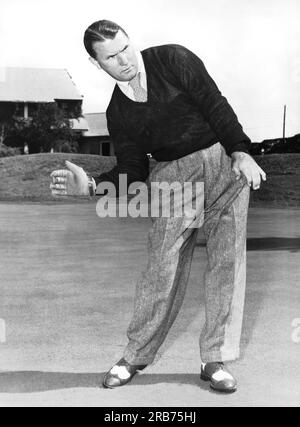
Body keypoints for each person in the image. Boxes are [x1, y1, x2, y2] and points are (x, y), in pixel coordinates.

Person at [50, 20, 266, 393]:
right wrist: (91, 188)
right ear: (95, 63)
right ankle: (135, 355)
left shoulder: (173, 59)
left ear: (131, 42)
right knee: (160, 268)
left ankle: (214, 359)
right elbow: (133, 170)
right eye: (111, 58)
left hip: (224, 166)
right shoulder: (118, 112)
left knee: (227, 264)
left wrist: (241, 151)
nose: (124, 61)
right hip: (174, 179)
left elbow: (216, 105)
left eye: (125, 49)